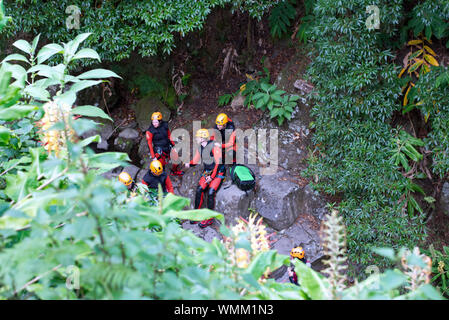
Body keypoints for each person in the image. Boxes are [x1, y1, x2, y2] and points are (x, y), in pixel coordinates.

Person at [184, 128, 225, 228]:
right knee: (199, 189)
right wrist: (189, 163)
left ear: (203, 138)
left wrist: (212, 177)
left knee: (211, 192)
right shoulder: (200, 147)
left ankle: (209, 218)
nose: (196, 138)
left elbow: (218, 163)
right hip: (207, 171)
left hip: (218, 171)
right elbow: (196, 159)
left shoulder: (214, 147)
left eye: (198, 137)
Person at [145, 111, 184, 176]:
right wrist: (153, 157)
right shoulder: (150, 131)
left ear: (160, 121)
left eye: (156, 122)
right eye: (153, 122)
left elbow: (169, 136)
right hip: (159, 149)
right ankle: (163, 178)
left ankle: (174, 171)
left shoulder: (164, 125)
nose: (154, 124)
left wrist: (174, 145)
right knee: (161, 166)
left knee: (176, 159)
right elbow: (149, 144)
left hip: (167, 145)